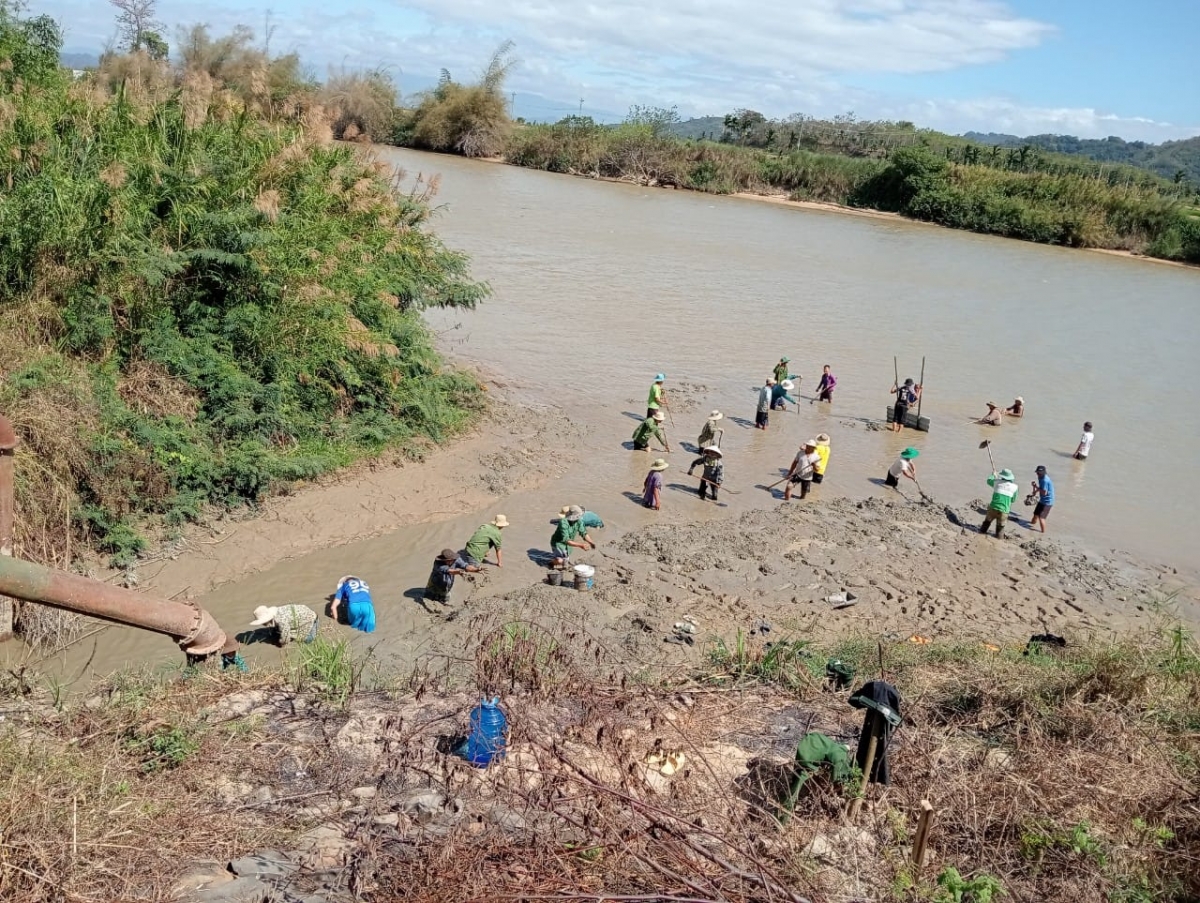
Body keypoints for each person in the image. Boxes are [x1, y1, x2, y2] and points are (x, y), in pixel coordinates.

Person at [250, 604, 319, 646]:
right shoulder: (277, 611)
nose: (263, 624)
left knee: (308, 640)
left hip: (312, 620)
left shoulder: (281, 620)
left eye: (263, 622)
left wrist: (280, 643)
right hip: (304, 613)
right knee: (278, 630)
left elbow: (285, 639)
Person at [980, 469, 1019, 538]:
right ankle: (999, 538)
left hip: (993, 508)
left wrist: (993, 475)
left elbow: (988, 481)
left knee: (987, 522)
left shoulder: (997, 482)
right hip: (1004, 511)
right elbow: (1013, 500)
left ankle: (981, 533)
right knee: (1000, 527)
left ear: (1002, 477)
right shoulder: (1015, 487)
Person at [1030, 465, 1054, 533]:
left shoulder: (1045, 480)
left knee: (1041, 518)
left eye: (1039, 473)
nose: (1038, 474)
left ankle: (1042, 533)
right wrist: (1035, 489)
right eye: (1037, 473)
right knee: (1035, 514)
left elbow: (1044, 493)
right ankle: (1031, 526)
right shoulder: (1040, 477)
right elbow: (1041, 488)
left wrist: (1036, 488)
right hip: (1042, 500)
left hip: (1048, 502)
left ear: (1044, 473)